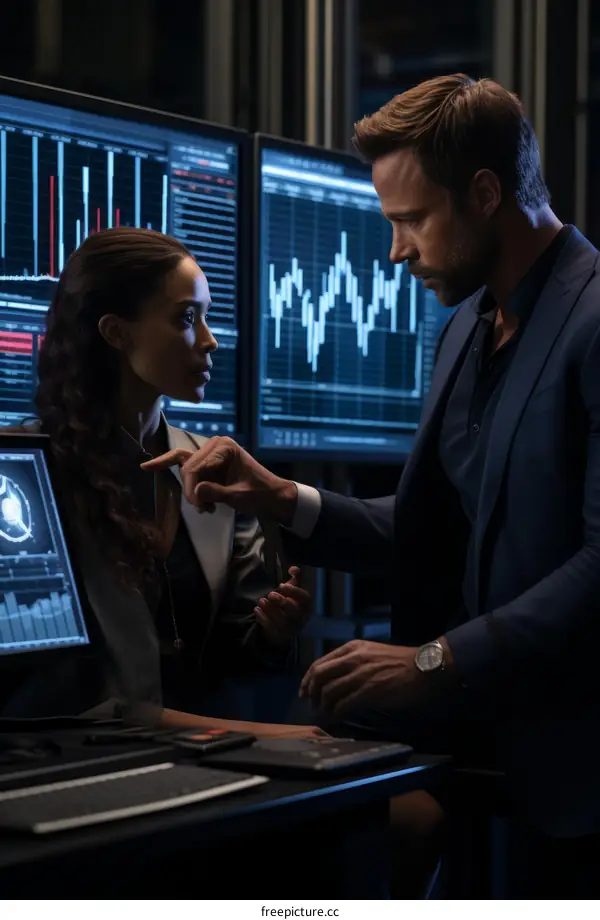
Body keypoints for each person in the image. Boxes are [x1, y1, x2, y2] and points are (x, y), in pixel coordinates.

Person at [146, 74, 600, 895]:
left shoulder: (595, 322)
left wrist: (431, 662)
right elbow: (446, 528)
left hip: (571, 780)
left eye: (411, 221)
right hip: (471, 761)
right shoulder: (466, 324)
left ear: (487, 192)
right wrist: (283, 498)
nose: (396, 252)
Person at [2, 227, 324, 740]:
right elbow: (63, 697)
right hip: (91, 762)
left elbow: (234, 658)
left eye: (206, 316)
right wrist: (272, 739)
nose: (210, 339)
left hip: (205, 751)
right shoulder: (22, 473)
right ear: (116, 332)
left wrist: (269, 633)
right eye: (187, 319)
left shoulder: (213, 464)